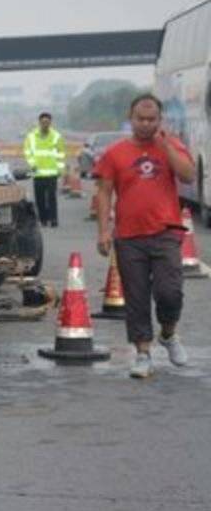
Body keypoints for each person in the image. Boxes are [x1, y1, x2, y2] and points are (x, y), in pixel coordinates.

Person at [94, 94, 196, 379]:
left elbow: (189, 176)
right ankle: (142, 353)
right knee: (136, 298)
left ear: (160, 120)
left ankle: (169, 333)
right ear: (131, 118)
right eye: (141, 119)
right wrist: (103, 230)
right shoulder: (115, 153)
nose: (146, 125)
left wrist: (166, 147)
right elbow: (103, 192)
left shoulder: (171, 146)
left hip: (165, 232)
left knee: (169, 292)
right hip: (129, 236)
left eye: (152, 120)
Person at [23, 112, 65, 227]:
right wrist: (32, 164)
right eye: (43, 122)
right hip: (37, 173)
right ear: (39, 123)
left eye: (47, 122)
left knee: (52, 198)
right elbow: (27, 152)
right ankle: (43, 220)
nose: (45, 124)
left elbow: (61, 154)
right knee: (40, 199)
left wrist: (60, 169)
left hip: (52, 173)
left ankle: (54, 219)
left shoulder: (56, 136)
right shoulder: (31, 137)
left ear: (50, 123)